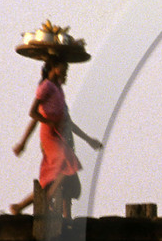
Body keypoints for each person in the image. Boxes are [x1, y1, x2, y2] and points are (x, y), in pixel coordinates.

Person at [10, 24, 103, 215]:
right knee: (63, 166)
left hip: (60, 133)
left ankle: (22, 207)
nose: (66, 71)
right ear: (54, 67)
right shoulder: (46, 87)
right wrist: (24, 142)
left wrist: (88, 139)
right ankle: (45, 206)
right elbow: (33, 114)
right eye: (64, 67)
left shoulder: (58, 90)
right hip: (50, 135)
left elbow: (67, 121)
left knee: (58, 176)